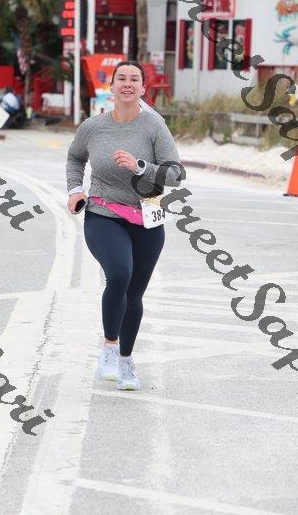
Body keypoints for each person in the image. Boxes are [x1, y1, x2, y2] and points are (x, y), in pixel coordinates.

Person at [66, 60, 182, 391]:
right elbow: (75, 157)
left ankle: (126, 360)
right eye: (121, 78)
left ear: (143, 88)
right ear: (112, 86)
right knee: (119, 273)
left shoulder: (154, 126)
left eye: (134, 79)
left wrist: (140, 166)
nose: (128, 84)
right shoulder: (93, 127)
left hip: (147, 217)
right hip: (103, 214)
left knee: (134, 294)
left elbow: (175, 173)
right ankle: (109, 346)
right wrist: (75, 190)